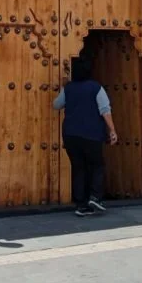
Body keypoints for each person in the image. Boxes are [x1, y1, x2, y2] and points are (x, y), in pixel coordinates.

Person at [53, 58, 118, 216]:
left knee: (78, 167)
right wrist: (113, 130)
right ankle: (95, 196)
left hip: (70, 135)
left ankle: (81, 205)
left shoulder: (68, 89)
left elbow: (56, 105)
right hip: (91, 134)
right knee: (97, 165)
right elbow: (105, 110)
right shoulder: (96, 88)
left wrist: (64, 88)